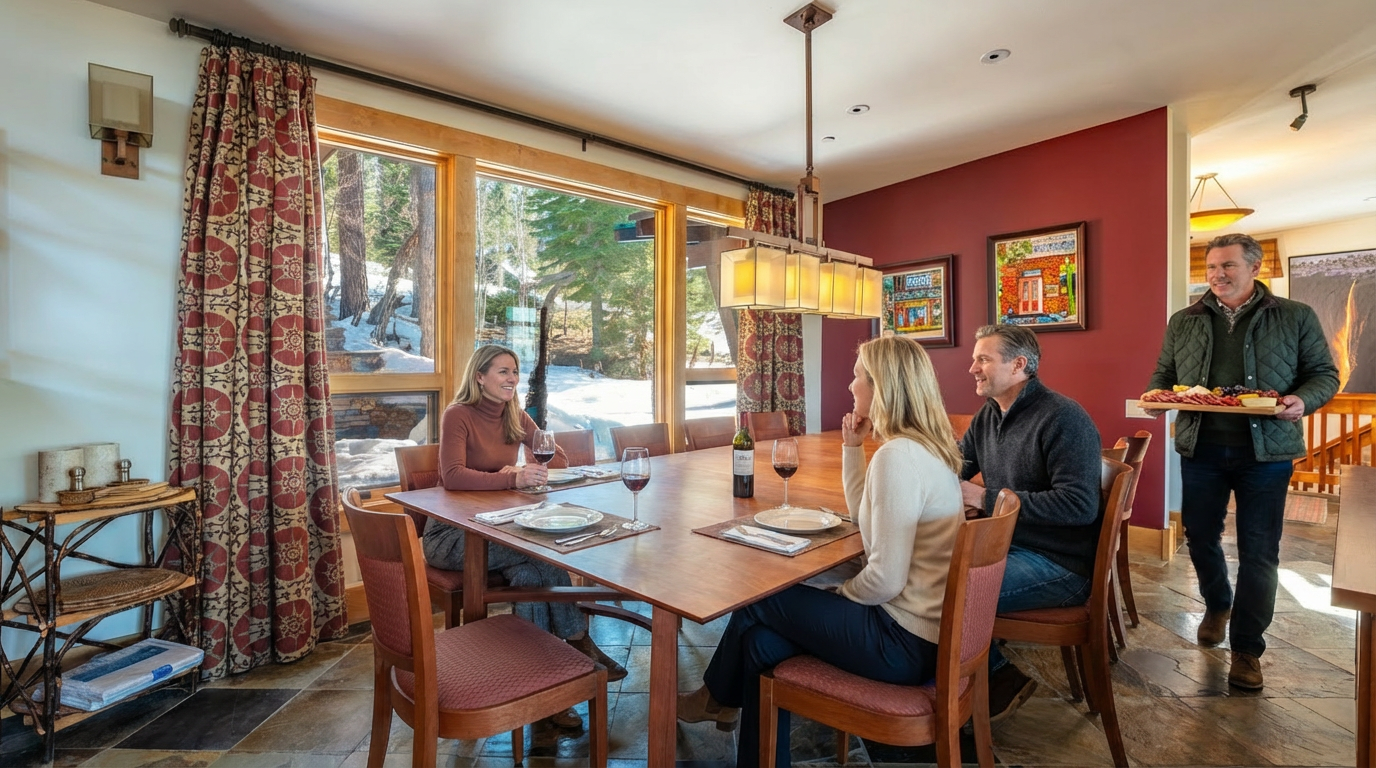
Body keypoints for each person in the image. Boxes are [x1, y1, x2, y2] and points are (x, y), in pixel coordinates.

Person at [677, 336, 964, 768]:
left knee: (763, 598)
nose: (850, 386)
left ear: (883, 386)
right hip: (926, 638)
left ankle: (715, 695)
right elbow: (868, 524)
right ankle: (732, 721)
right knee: (759, 643)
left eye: (858, 376)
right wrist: (852, 448)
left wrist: (839, 593)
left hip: (901, 643)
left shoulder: (899, 457)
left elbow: (885, 578)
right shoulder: (924, 449)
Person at [1146, 233, 1337, 690]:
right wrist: (1157, 395)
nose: (1217, 275)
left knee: (1260, 551)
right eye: (1211, 267)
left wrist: (1300, 400)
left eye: (1228, 266)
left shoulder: (1295, 316)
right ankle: (1217, 603)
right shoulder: (1184, 320)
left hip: (1267, 454)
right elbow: (1164, 375)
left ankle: (1247, 648)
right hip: (1201, 448)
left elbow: (1324, 375)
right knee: (1199, 537)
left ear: (1255, 268)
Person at [421, 344, 627, 728]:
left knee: (530, 575)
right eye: (502, 372)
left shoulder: (515, 414)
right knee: (536, 550)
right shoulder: (458, 415)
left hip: (496, 529)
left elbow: (558, 457)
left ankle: (542, 693)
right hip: (451, 537)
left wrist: (535, 461)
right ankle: (579, 639)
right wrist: (513, 476)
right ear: (479, 376)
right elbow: (452, 475)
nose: (511, 379)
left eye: (514, 371)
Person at [958, 323, 1102, 722]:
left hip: (1060, 564)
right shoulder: (989, 414)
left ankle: (998, 680)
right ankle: (945, 680)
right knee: (924, 574)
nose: (972, 368)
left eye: (983, 359)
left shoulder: (1063, 417)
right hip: (1012, 546)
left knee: (946, 593)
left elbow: (1079, 506)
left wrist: (985, 498)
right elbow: (956, 465)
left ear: (1019, 365)